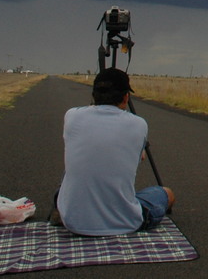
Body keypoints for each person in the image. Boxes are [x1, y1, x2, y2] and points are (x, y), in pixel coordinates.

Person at [54, 68, 176, 235]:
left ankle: (64, 208)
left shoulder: (71, 116)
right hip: (126, 222)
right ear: (126, 97)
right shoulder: (139, 125)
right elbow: (139, 155)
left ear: (94, 95)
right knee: (166, 194)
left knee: (73, 170)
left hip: (72, 221)